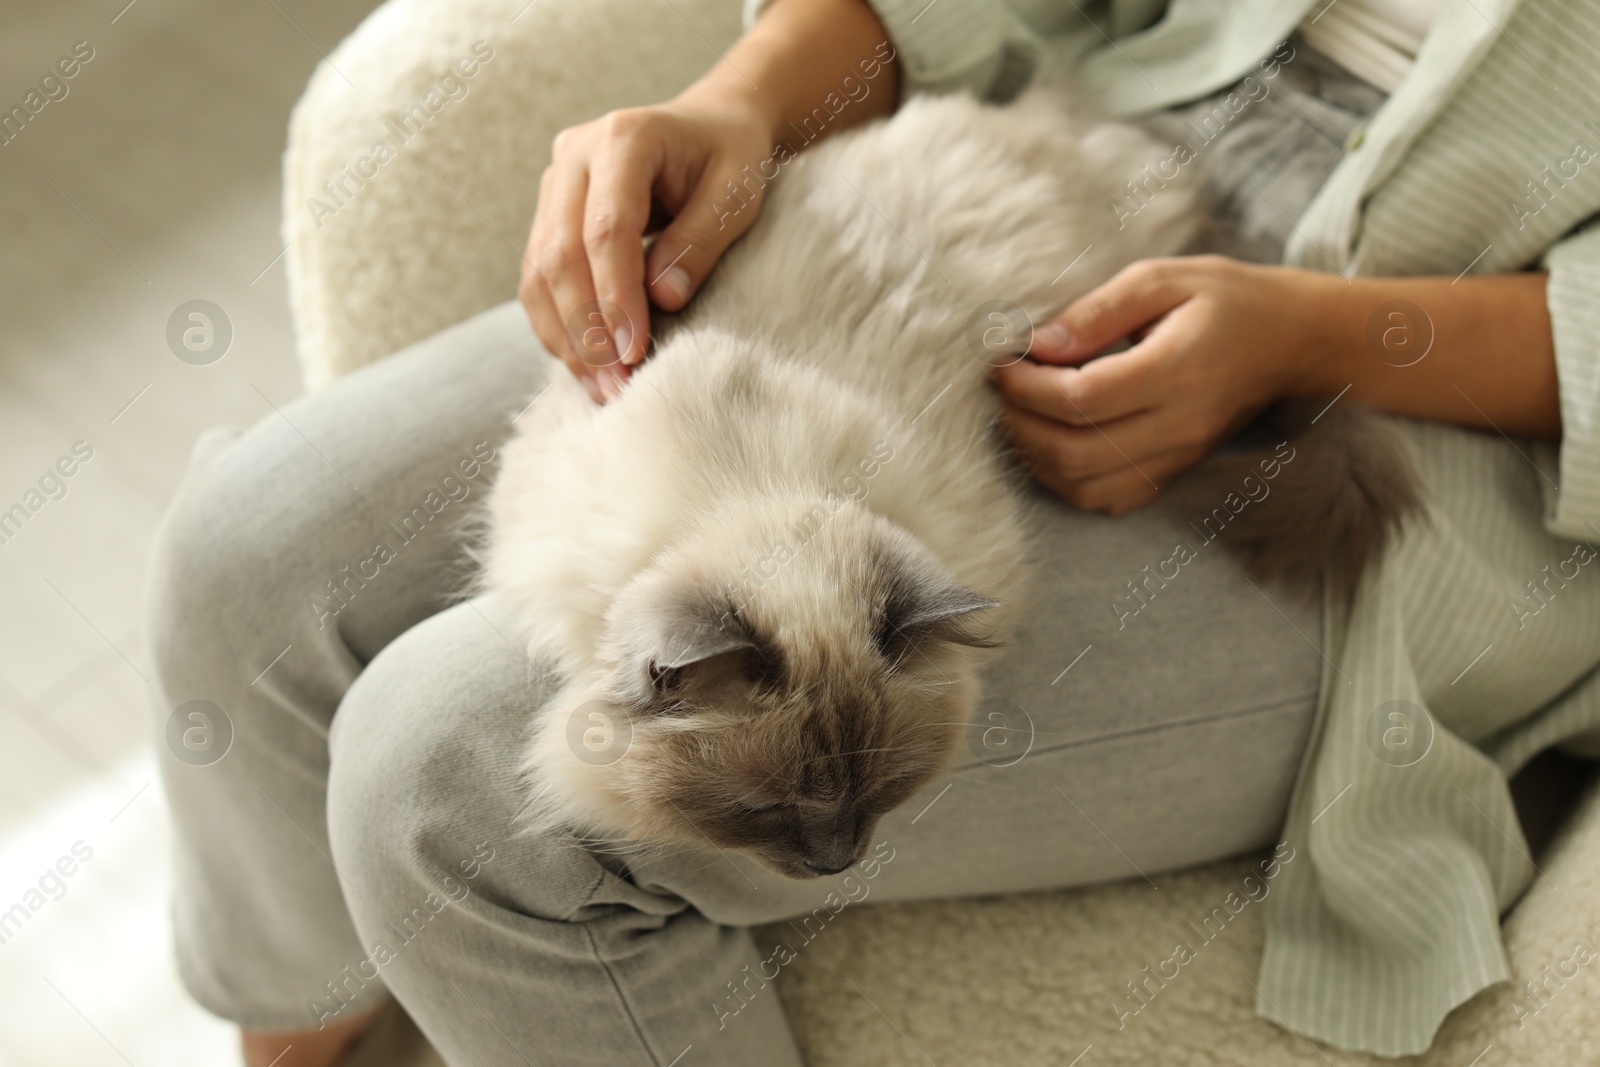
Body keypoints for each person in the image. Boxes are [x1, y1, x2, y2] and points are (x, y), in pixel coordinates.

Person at [147, 0, 1600, 1064]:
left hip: (1446, 405)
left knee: (448, 774)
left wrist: (1309, 334)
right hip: (1066, 159)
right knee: (249, 553)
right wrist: (746, 104)